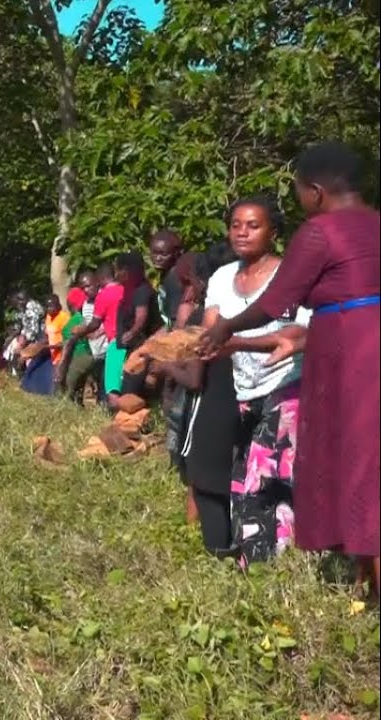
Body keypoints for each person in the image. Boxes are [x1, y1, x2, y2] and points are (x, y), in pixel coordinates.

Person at [201, 142, 378, 595]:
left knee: (359, 464)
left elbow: (276, 302)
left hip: (350, 351)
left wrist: (226, 328)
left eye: (299, 191)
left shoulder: (321, 233)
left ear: (315, 191)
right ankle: (361, 580)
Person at [201, 196, 311, 569]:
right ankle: (263, 563)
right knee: (244, 478)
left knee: (263, 478)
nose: (242, 232)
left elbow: (299, 332)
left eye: (253, 225)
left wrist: (236, 341)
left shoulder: (291, 276)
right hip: (244, 393)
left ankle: (269, 566)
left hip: (286, 386)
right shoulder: (220, 278)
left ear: (273, 232)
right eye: (236, 225)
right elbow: (211, 331)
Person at [156, 244, 240, 552]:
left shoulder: (204, 321)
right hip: (246, 402)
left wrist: (164, 366)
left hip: (211, 406)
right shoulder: (250, 312)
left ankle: (211, 548)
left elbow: (193, 379)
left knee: (206, 484)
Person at [111, 252, 161, 402]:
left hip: (143, 348)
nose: (116, 274)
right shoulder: (131, 290)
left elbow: (141, 316)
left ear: (125, 271)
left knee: (130, 391)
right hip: (135, 348)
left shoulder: (141, 291)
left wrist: (131, 333)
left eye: (117, 270)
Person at [73, 264, 118, 400]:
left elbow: (111, 320)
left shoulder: (104, 296)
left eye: (89, 286)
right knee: (98, 381)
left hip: (107, 347)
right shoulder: (86, 304)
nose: (86, 290)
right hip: (95, 350)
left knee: (107, 382)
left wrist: (97, 332)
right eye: (83, 287)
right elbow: (88, 323)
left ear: (97, 283)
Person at [56, 280, 96, 405]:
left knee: (69, 387)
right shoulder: (87, 316)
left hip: (79, 355)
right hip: (91, 355)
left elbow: (68, 346)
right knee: (80, 389)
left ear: (70, 302)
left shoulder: (74, 321)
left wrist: (61, 368)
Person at [11, 290, 51, 396]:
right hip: (32, 338)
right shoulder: (24, 307)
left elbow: (32, 331)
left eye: (21, 299)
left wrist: (22, 343)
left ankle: (25, 382)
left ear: (26, 298)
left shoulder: (32, 308)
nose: (19, 302)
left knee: (20, 356)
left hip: (41, 339)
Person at [149, 229, 186, 328]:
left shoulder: (175, 279)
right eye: (154, 253)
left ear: (176, 253)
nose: (158, 258)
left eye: (164, 254)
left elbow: (176, 317)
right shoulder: (166, 273)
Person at [43, 293, 71, 377]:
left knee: (57, 378)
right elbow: (47, 334)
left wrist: (50, 346)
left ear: (58, 305)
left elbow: (67, 340)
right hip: (52, 354)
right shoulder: (48, 317)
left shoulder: (64, 317)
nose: (50, 309)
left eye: (52, 306)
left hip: (62, 354)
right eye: (47, 307)